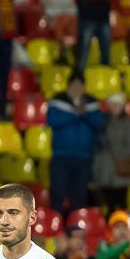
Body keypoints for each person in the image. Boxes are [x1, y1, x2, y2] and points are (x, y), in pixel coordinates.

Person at [46, 74, 106, 215]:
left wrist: (85, 113)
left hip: (83, 157)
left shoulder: (91, 102)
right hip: (61, 156)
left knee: (79, 197)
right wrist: (76, 113)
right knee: (57, 194)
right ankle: (56, 224)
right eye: (74, 85)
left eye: (80, 85)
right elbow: (52, 120)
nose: (77, 88)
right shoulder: (58, 99)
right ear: (68, 86)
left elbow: (100, 123)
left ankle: (76, 225)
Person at [93, 93, 130, 213]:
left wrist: (118, 156)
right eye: (113, 104)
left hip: (120, 168)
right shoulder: (102, 121)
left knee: (122, 202)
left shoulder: (128, 122)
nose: (115, 107)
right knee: (107, 203)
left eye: (118, 104)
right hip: (104, 167)